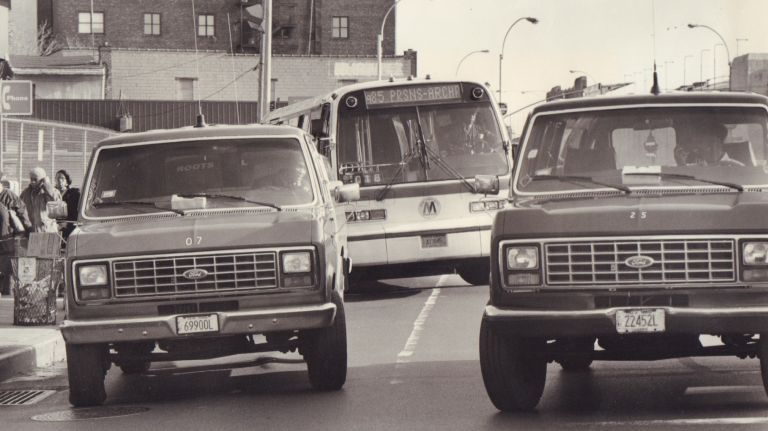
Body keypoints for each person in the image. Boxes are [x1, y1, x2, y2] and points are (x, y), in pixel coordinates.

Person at [0, 174, 31, 296]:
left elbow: (22, 212)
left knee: (7, 271)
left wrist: (28, 229)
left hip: (7, 239)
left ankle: (7, 296)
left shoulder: (8, 195)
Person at [674, 122, 743, 167]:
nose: (696, 147)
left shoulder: (736, 167)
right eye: (697, 142)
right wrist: (681, 164)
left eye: (700, 142)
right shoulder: (693, 167)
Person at [20, 167, 62, 233]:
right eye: (31, 179)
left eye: (35, 179)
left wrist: (47, 185)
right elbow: (20, 209)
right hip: (31, 230)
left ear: (42, 180)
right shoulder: (26, 193)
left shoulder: (51, 191)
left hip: (47, 230)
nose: (32, 182)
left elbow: (57, 204)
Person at [55, 169, 80, 240]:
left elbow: (76, 212)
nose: (59, 180)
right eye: (57, 178)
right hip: (55, 227)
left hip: (69, 225)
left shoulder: (73, 193)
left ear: (67, 181)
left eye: (62, 178)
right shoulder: (52, 194)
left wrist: (67, 224)